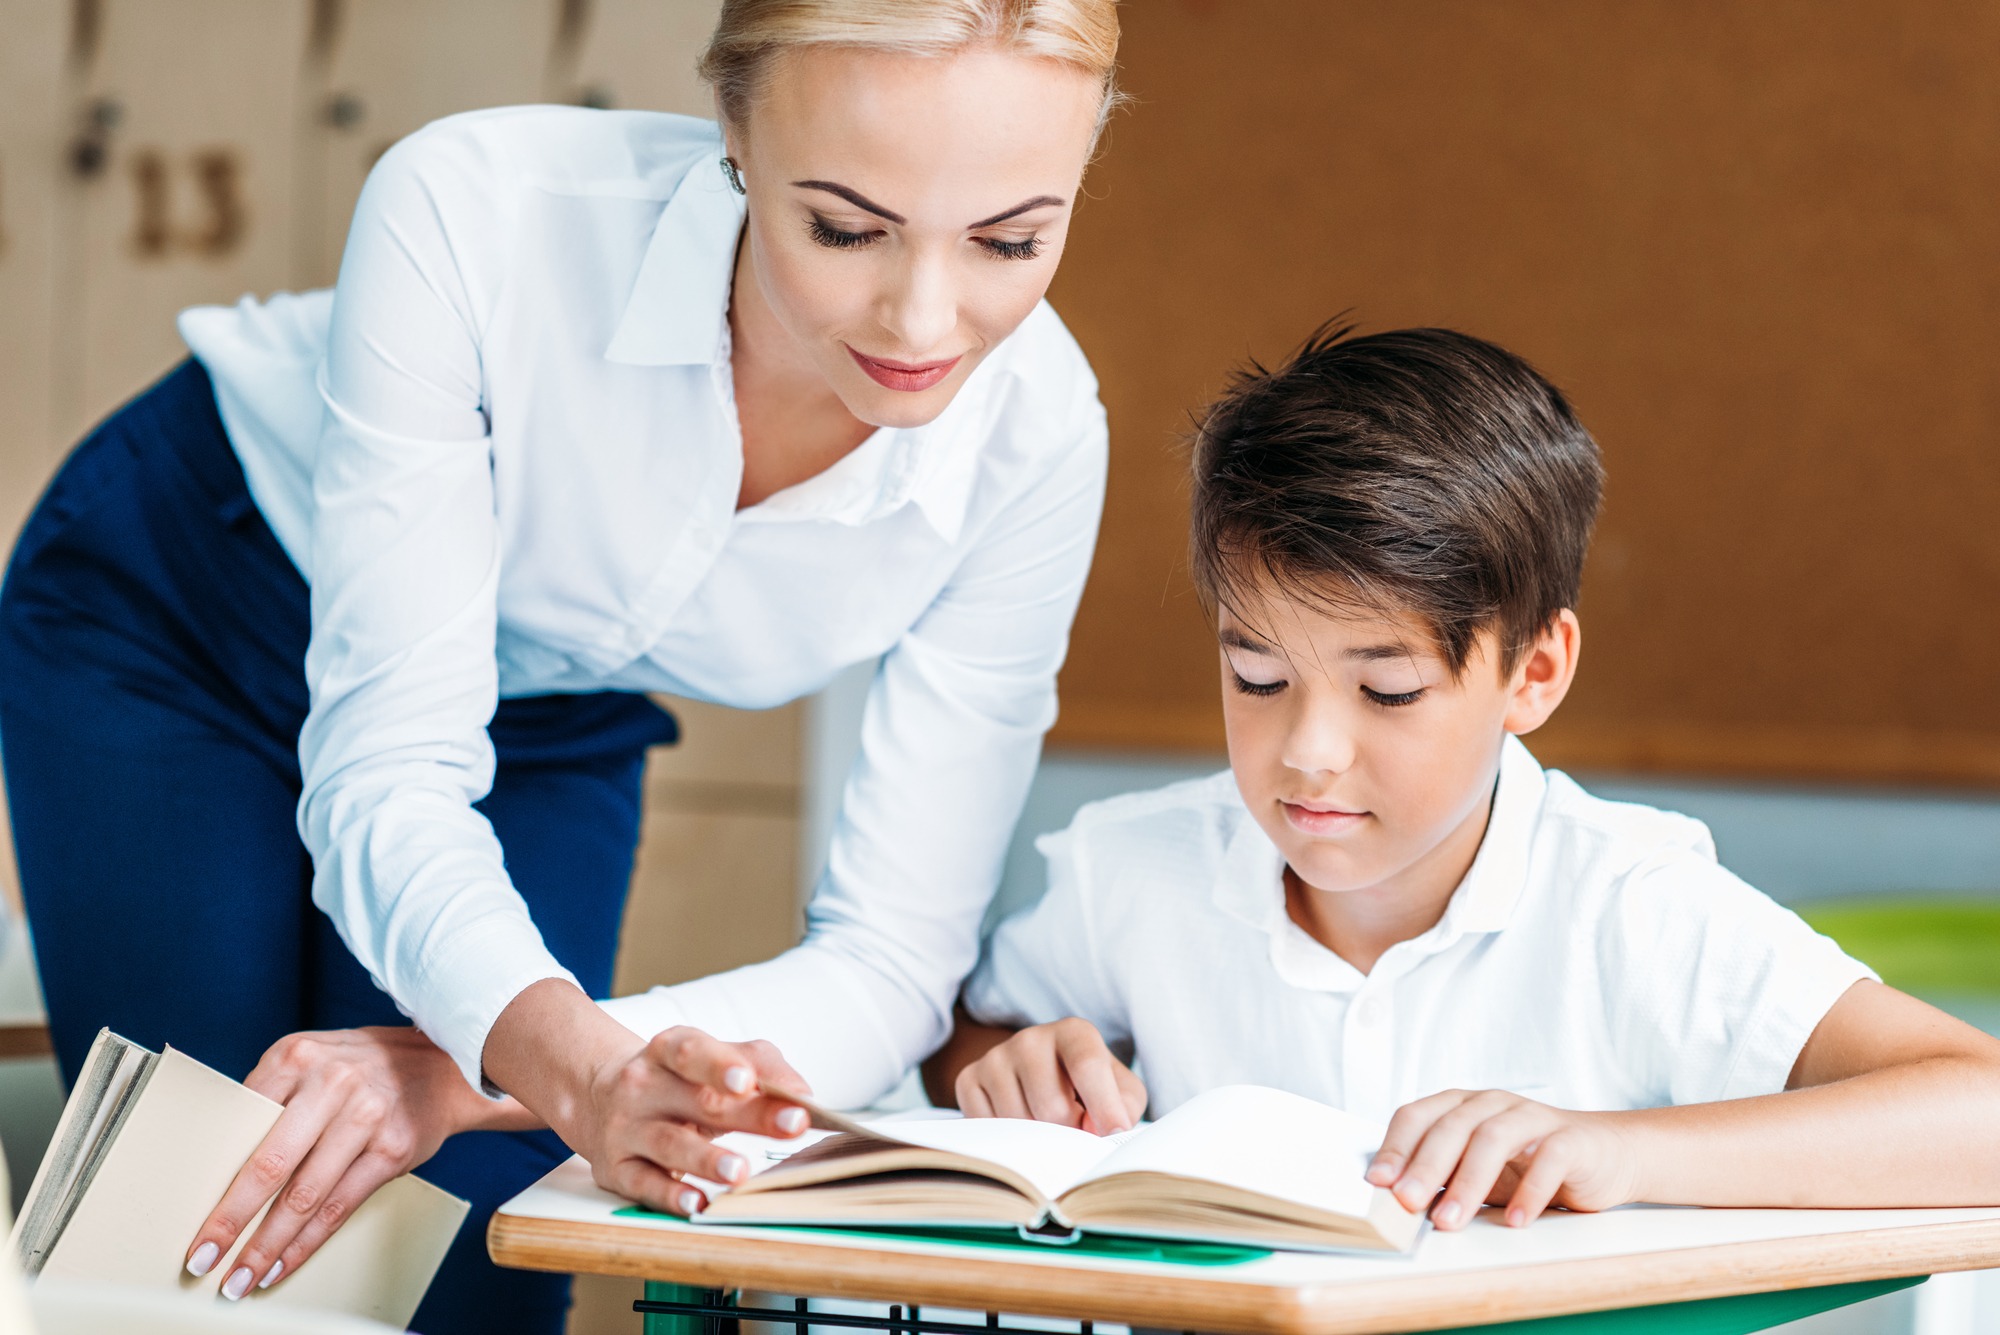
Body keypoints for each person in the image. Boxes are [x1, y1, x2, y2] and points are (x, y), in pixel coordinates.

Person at [0, 2, 1121, 1329]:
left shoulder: (1038, 441)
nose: (926, 317)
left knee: (491, 1249)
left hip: (541, 707)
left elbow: (893, 959)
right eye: (844, 225)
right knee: (206, 1237)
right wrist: (563, 1065)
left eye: (1010, 239)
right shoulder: (475, 208)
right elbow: (390, 769)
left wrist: (507, 1074)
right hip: (184, 606)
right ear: (736, 137)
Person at [926, 325, 2000, 1228]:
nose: (1306, 750)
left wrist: (1622, 1155)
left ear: (1532, 672)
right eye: (1255, 675)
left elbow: (1979, 1115)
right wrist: (1006, 1060)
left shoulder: (1627, 907)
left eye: (1385, 693)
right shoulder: (1134, 870)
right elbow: (958, 1037)